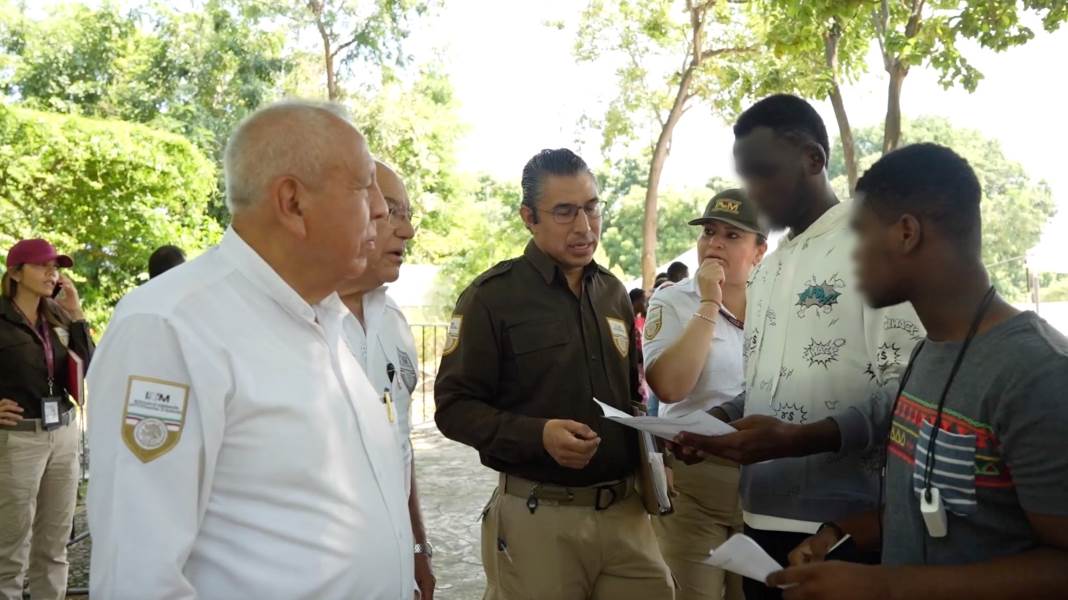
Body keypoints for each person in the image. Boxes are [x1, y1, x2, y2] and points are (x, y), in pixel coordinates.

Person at [85, 100, 413, 599]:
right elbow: (137, 575)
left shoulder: (325, 317)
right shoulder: (171, 326)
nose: (381, 209)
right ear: (293, 203)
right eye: (362, 185)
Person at [767, 144, 1068, 598]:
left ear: (906, 233)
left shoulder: (1039, 374)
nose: (849, 260)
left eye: (858, 238)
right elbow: (933, 509)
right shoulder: (928, 353)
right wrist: (841, 533)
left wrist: (885, 587)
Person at [672, 94, 922, 599]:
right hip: (758, 518)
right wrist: (716, 423)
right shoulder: (767, 271)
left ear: (812, 160)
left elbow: (913, 393)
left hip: (847, 529)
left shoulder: (874, 247)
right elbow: (765, 387)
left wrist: (803, 437)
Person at [435, 148, 674, 600]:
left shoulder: (613, 294)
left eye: (592, 208)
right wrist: (538, 435)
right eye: (565, 212)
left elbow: (632, 395)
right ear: (529, 217)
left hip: (627, 518)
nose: (584, 227)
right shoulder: (492, 298)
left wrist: (657, 455)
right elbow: (453, 409)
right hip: (539, 519)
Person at [645, 189, 767, 600]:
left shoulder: (777, 305)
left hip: (764, 479)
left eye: (732, 236)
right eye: (709, 232)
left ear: (759, 251)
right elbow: (670, 386)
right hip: (695, 479)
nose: (715, 243)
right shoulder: (672, 300)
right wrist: (709, 303)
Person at [337, 161, 435, 599]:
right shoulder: (289, 322)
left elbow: (399, 445)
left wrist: (417, 547)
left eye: (408, 215)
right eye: (391, 212)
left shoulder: (392, 320)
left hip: (390, 575)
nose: (407, 231)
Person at [0, 239, 93, 600]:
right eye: (42, 265)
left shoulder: (57, 316)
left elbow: (90, 366)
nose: (52, 273)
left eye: (55, 267)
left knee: (54, 547)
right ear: (15, 273)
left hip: (64, 433)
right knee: (10, 549)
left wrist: (77, 314)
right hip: (18, 439)